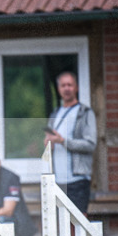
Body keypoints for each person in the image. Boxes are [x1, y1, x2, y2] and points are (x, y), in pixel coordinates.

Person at [43, 70, 96, 214]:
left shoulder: (85, 113)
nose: (66, 88)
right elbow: (50, 143)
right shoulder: (55, 113)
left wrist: (63, 141)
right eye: (63, 85)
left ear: (76, 88)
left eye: (70, 85)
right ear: (58, 89)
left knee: (79, 226)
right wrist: (49, 143)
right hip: (57, 179)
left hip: (77, 179)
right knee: (61, 225)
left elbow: (90, 144)